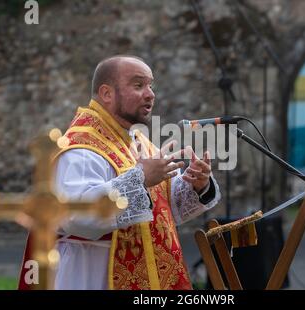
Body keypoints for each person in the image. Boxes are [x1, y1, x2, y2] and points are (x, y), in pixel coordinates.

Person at [18, 55, 221, 290]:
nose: (150, 94)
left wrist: (196, 185)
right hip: (92, 272)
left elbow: (162, 211)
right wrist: (141, 178)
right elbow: (76, 216)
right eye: (138, 85)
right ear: (107, 93)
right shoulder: (81, 148)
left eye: (150, 85)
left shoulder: (138, 141)